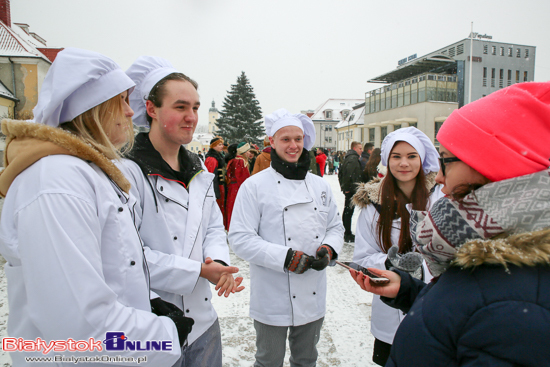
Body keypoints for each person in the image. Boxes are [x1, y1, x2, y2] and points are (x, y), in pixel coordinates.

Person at [0, 48, 185, 366]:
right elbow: (78, 324)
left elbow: (112, 268)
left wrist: (145, 303)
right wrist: (163, 333)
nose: (130, 113)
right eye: (122, 101)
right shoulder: (57, 182)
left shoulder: (84, 173)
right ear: (94, 107)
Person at [351, 82, 550, 366]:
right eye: (396, 157)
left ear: (490, 163)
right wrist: (408, 289)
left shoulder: (516, 301)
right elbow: (461, 308)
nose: (441, 178)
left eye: (446, 161)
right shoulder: (492, 250)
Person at [122, 56, 244, 367]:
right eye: (180, 107)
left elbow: (213, 226)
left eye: (195, 107)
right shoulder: (127, 172)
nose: (191, 116)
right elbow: (126, 256)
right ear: (151, 109)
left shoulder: (198, 168)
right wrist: (198, 271)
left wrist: (217, 262)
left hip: (203, 325)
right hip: (153, 325)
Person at [229, 108, 344, 367]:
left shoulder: (320, 186)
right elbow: (240, 238)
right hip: (272, 294)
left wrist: (329, 248)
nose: (293, 146)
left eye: (298, 139)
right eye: (285, 139)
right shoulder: (254, 186)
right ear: (271, 141)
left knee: (306, 360)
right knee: (268, 361)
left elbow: (336, 228)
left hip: (312, 292)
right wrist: (287, 258)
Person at [350, 127, 443, 366]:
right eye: (396, 156)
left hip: (436, 306)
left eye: (412, 156)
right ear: (387, 160)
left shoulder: (441, 199)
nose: (404, 163)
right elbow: (363, 256)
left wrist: (421, 267)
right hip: (389, 316)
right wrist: (390, 263)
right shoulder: (373, 205)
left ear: (422, 159)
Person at [338, 141, 364, 242]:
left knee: (348, 211)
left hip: (350, 189)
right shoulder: (352, 159)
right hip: (351, 190)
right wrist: (347, 188)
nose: (361, 150)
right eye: (360, 148)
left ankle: (346, 232)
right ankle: (347, 233)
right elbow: (348, 174)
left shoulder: (350, 157)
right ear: (354, 148)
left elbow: (341, 173)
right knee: (348, 211)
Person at [225, 142, 251, 230]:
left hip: (233, 188)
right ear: (244, 152)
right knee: (237, 208)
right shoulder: (240, 161)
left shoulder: (234, 160)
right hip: (237, 187)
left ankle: (231, 227)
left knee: (231, 207)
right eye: (248, 151)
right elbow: (242, 177)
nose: (249, 153)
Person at [205, 137, 226, 217]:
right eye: (219, 144)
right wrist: (215, 191)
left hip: (220, 186)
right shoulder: (212, 159)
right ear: (213, 146)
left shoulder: (218, 156)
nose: (222, 146)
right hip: (216, 187)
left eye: (222, 144)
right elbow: (210, 177)